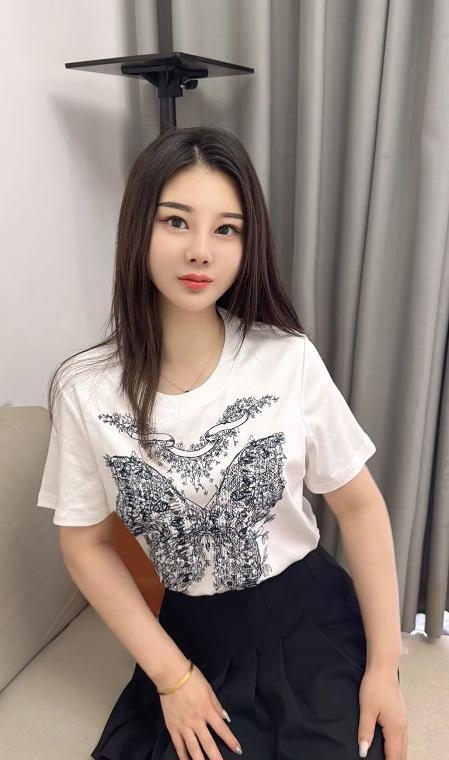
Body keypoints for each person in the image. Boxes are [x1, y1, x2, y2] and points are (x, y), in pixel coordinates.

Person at [37, 125, 408, 760]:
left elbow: (359, 505)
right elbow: (85, 543)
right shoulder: (85, 390)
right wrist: (171, 677)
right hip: (190, 640)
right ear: (138, 228)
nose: (200, 251)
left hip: (303, 616)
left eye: (226, 229)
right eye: (176, 221)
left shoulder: (285, 358)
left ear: (246, 242)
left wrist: (385, 667)